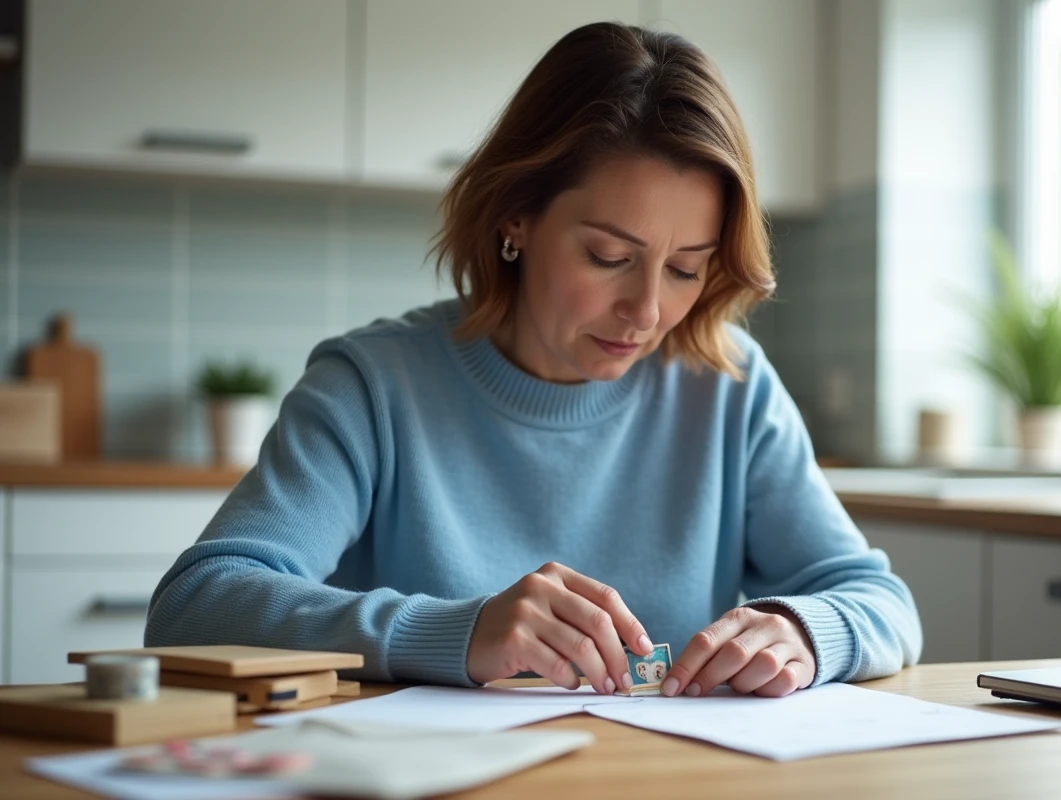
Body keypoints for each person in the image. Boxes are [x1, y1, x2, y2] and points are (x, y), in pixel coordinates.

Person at [146, 21, 921, 699]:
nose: (648, 311)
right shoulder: (373, 386)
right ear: (516, 215)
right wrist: (456, 631)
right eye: (609, 256)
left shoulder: (730, 388)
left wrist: (804, 630)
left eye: (687, 268)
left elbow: (881, 601)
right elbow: (193, 607)